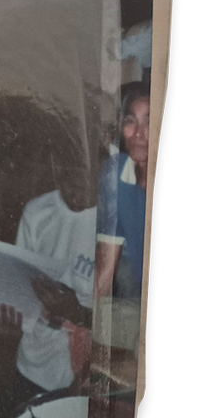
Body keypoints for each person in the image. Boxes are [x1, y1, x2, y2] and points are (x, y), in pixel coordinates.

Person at [0, 146, 100, 411]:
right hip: (36, 358)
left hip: (92, 365)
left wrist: (77, 312)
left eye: (84, 182)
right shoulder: (38, 211)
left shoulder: (113, 222)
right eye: (67, 182)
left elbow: (128, 318)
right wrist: (12, 325)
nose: (75, 194)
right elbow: (21, 287)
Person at [93, 78, 152, 307]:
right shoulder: (115, 173)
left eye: (149, 121)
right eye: (131, 121)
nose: (139, 133)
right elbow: (105, 270)